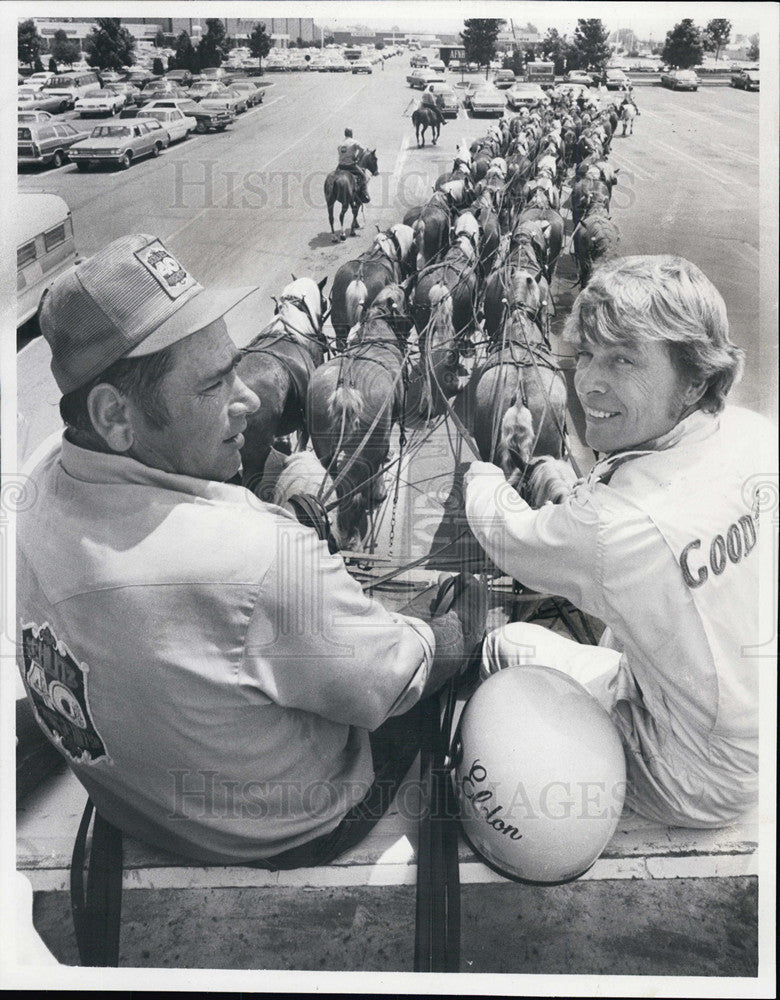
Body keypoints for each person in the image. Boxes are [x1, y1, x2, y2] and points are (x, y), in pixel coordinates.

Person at [17, 233, 488, 868]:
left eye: (236, 367)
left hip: (128, 801)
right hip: (290, 827)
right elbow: (394, 678)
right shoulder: (255, 555)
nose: (250, 401)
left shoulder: (37, 476)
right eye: (213, 386)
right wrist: (458, 627)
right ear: (114, 416)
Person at [464, 255, 775, 830]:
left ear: (696, 380)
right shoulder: (758, 434)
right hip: (758, 735)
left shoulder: (616, 522)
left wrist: (480, 478)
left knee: (504, 645)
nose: (588, 383)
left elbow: (509, 538)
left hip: (692, 777)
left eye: (624, 359)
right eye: (585, 354)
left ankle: (500, 820)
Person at [336, 127, 370, 204]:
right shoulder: (354, 142)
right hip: (350, 166)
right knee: (364, 176)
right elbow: (362, 149)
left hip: (341, 166)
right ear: (351, 134)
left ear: (345, 134)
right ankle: (363, 194)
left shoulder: (340, 144)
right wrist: (357, 158)